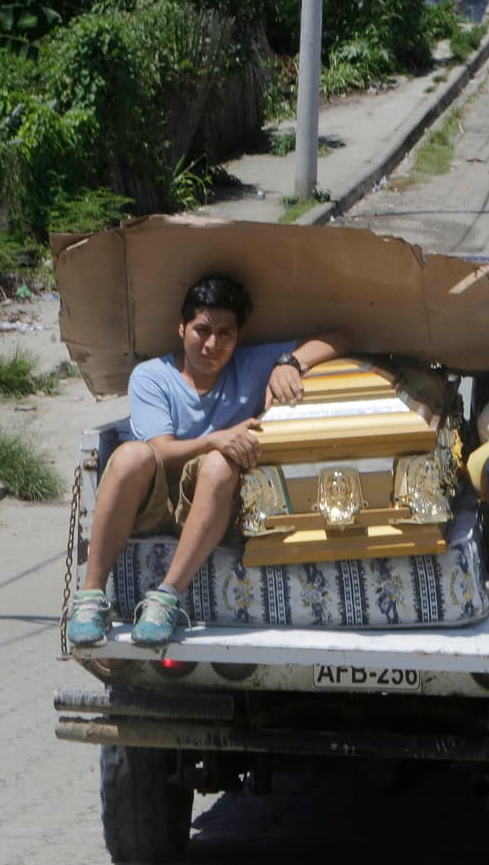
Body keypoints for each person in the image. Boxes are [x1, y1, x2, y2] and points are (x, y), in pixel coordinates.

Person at [66, 276, 350, 646]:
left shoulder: (249, 364)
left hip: (216, 503)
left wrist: (288, 362)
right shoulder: (152, 376)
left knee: (219, 463)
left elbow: (342, 337)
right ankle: (91, 598)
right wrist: (216, 438)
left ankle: (167, 598)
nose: (212, 344)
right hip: (155, 501)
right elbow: (162, 451)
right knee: (130, 455)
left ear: (238, 337)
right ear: (181, 327)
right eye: (202, 330)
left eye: (225, 334)